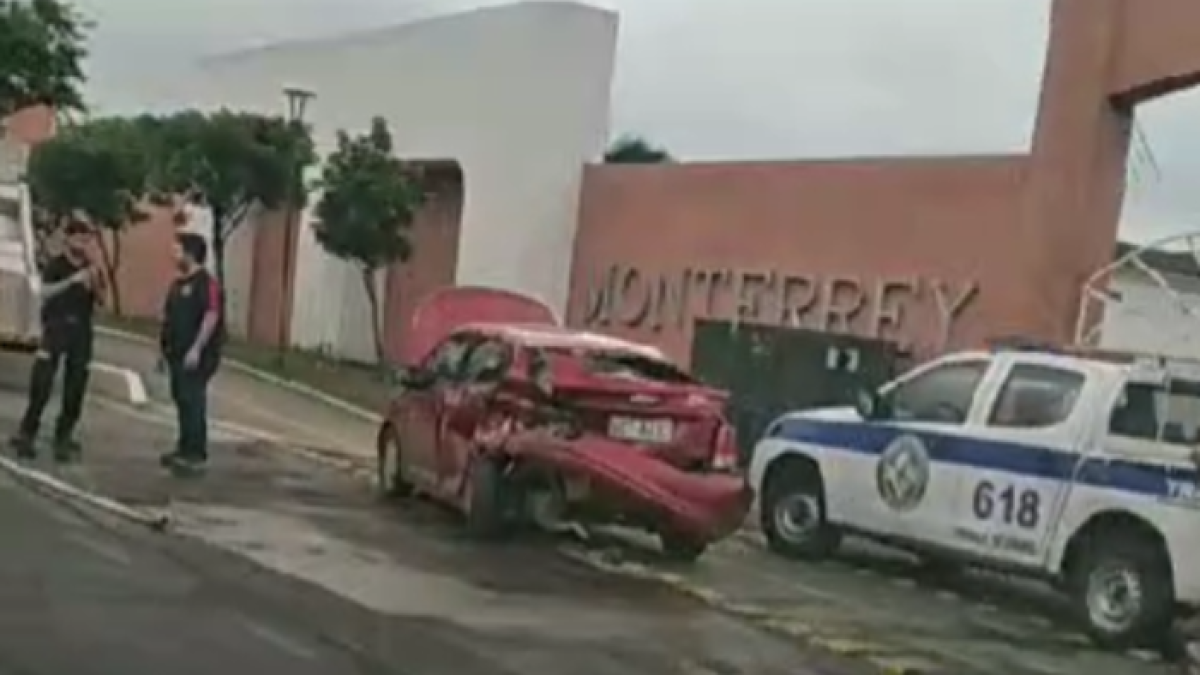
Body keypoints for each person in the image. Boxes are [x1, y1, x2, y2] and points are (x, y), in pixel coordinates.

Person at [10, 220, 104, 461]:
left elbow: (102, 303)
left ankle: (64, 436)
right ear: (68, 240)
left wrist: (94, 282)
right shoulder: (57, 265)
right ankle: (27, 433)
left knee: (76, 386)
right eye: (79, 239)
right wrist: (71, 282)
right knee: (42, 384)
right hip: (56, 328)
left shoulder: (92, 268)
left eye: (87, 240)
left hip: (81, 332)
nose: (83, 244)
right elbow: (44, 292)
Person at [159, 232, 224, 473]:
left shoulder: (206, 284)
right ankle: (184, 447)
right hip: (176, 353)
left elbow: (211, 315)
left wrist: (197, 348)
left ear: (189, 253)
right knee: (181, 399)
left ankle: (196, 452)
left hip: (198, 355)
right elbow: (169, 318)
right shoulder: (178, 284)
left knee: (193, 400)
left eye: (177, 250)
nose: (173, 255)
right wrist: (162, 350)